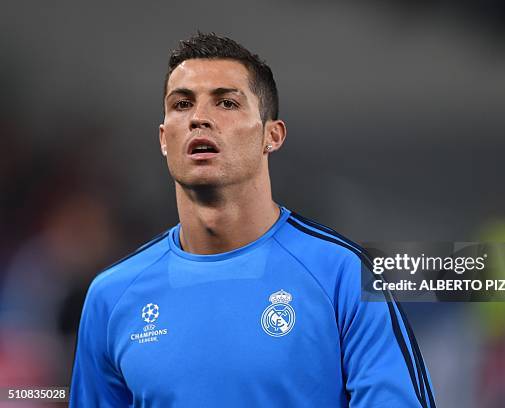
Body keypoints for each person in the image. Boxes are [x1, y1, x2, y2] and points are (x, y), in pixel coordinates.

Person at [69, 32, 436, 408]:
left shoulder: (344, 275)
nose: (199, 119)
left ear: (271, 135)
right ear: (164, 139)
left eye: (226, 102)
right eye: (182, 104)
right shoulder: (111, 296)